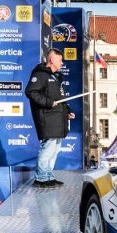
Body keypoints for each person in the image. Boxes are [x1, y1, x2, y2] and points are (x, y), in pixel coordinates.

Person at [26, 48, 75, 188]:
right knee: (47, 149)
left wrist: (68, 111)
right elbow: (31, 91)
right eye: (60, 60)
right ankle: (41, 178)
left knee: (54, 151)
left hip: (58, 120)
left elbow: (60, 99)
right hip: (48, 119)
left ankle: (48, 176)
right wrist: (48, 102)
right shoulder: (40, 75)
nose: (62, 63)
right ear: (52, 59)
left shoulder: (55, 77)